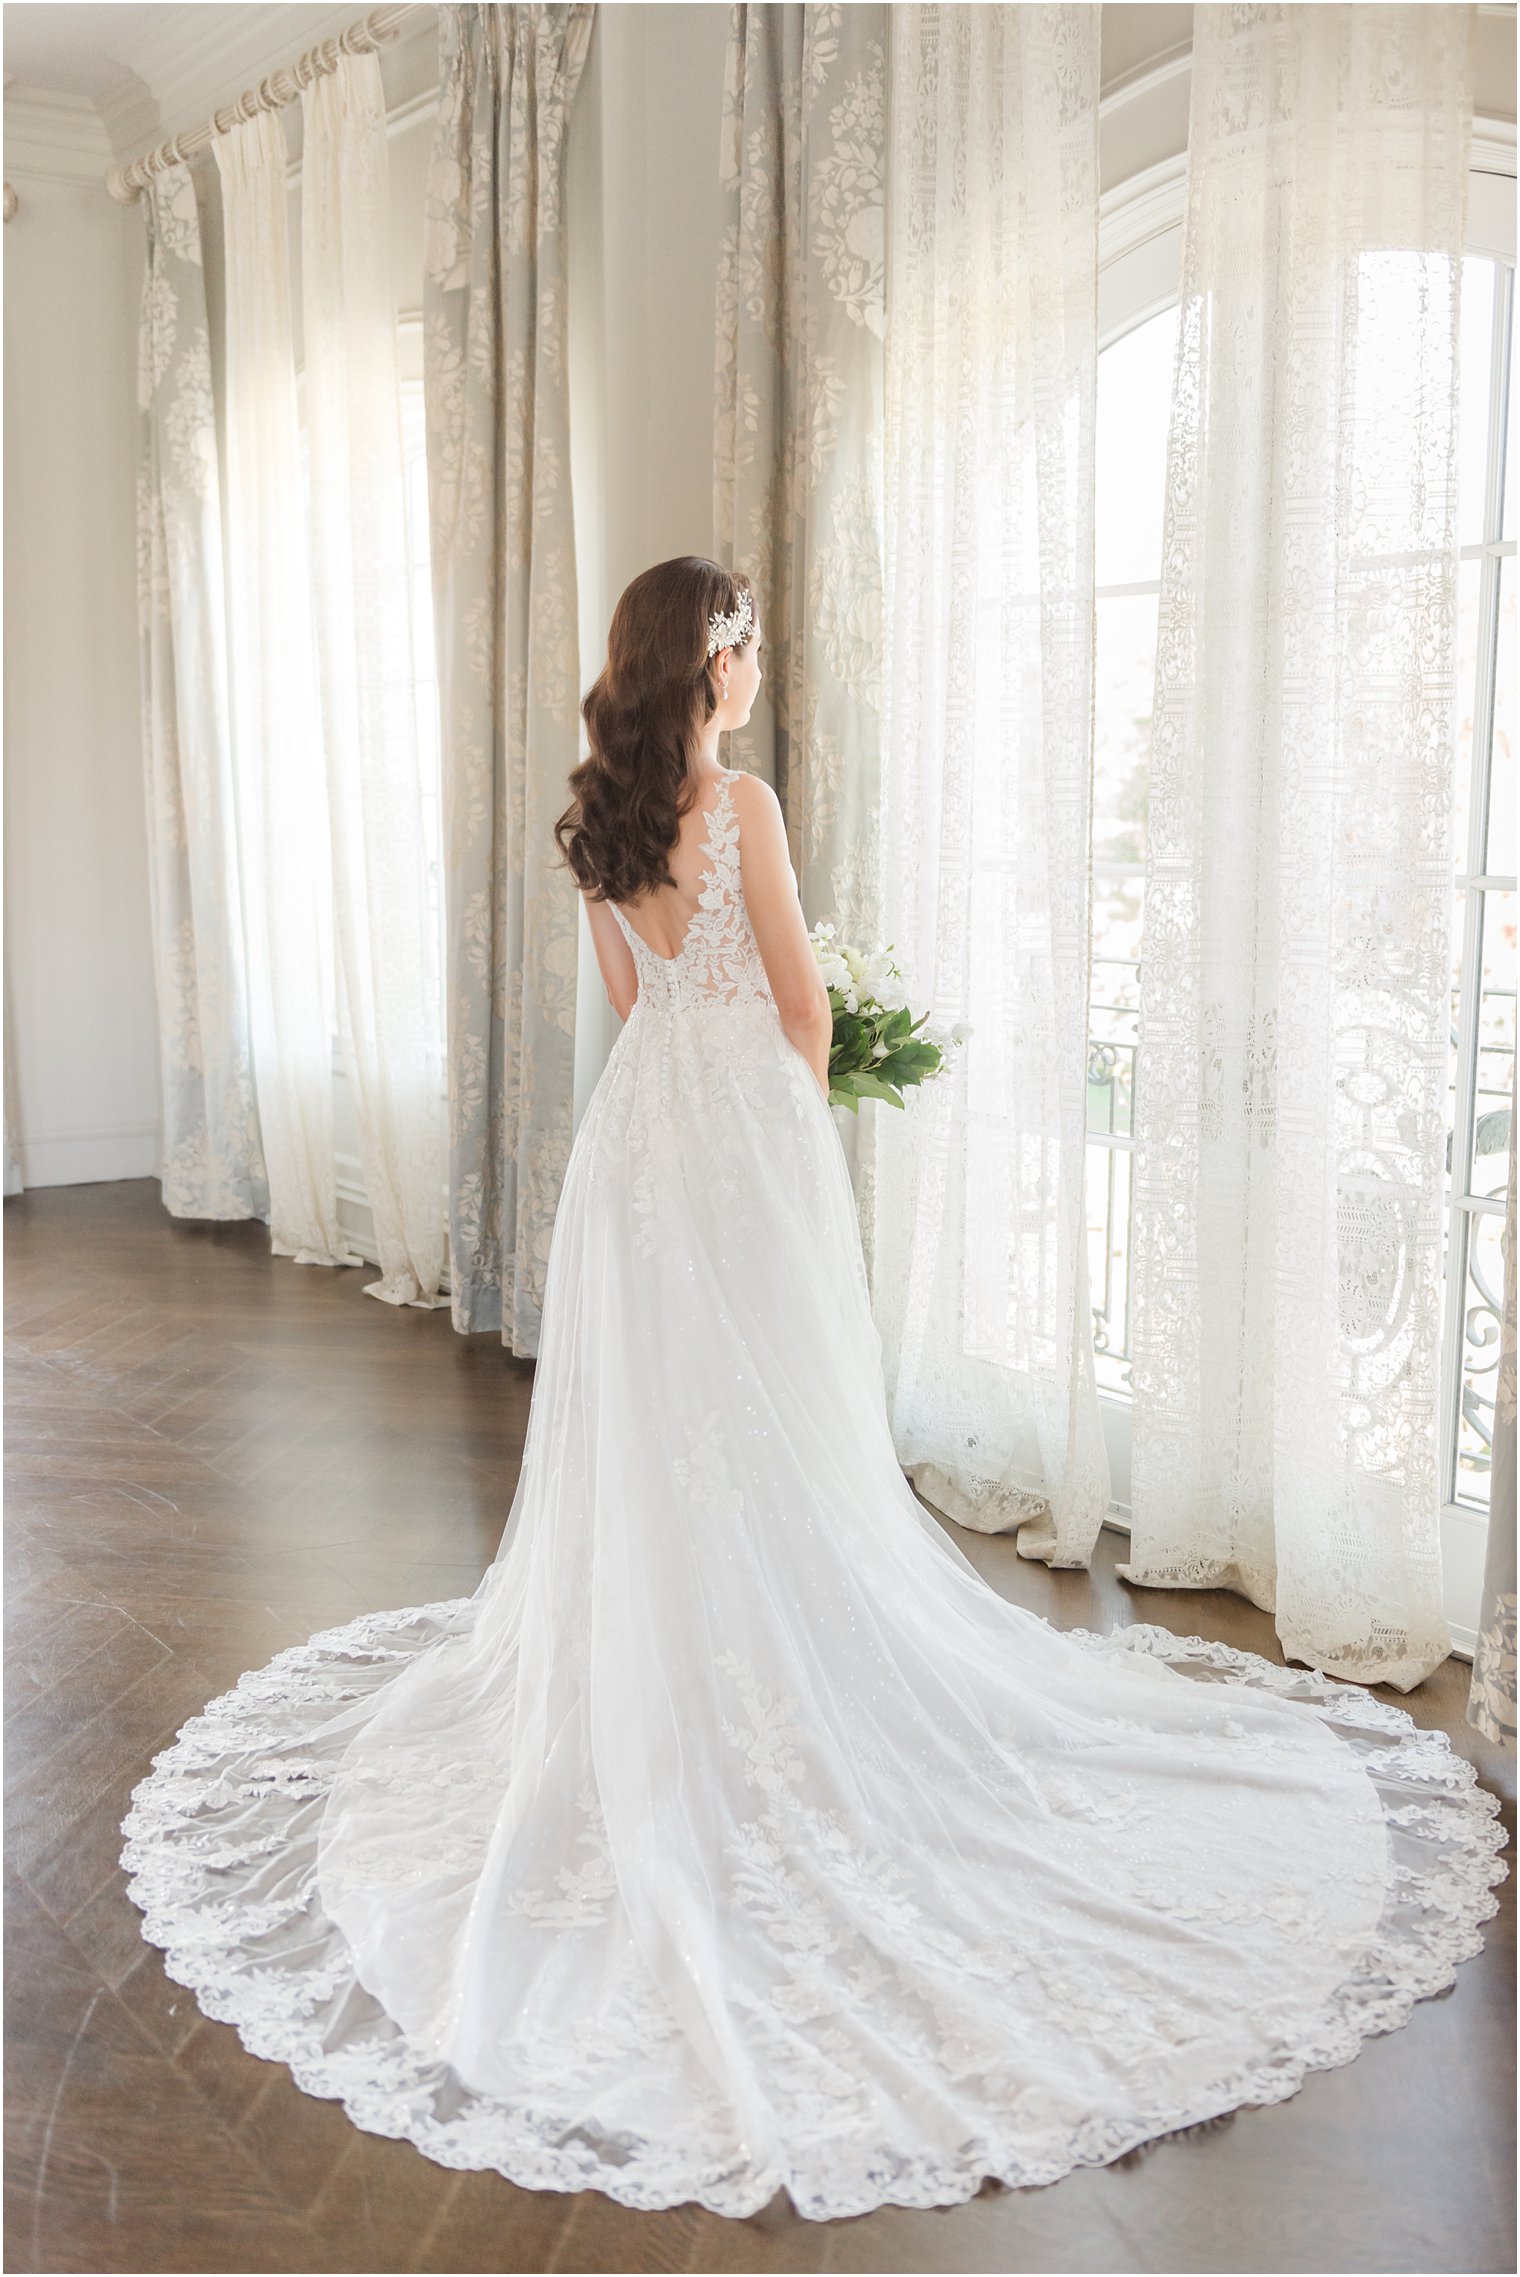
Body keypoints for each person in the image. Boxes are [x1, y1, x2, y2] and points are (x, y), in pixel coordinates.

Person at [122, 556, 1508, 2223]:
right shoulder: (748, 804)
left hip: (633, 1165)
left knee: (662, 1436)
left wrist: (705, 1098)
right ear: (708, 663)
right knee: (781, 1423)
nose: (759, 661)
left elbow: (635, 1009)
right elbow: (795, 1004)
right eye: (749, 638)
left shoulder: (596, 822)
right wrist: (789, 1138)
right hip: (737, 1154)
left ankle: (680, 1680)